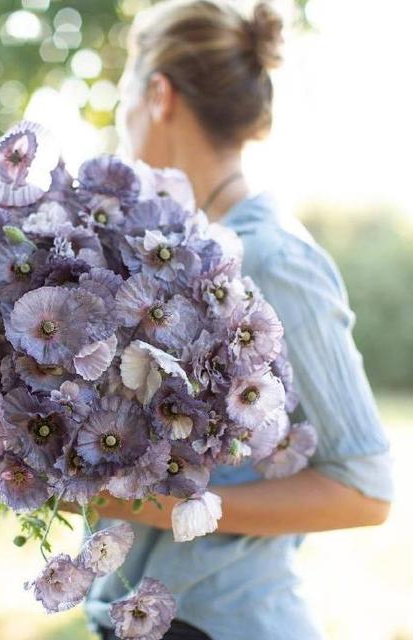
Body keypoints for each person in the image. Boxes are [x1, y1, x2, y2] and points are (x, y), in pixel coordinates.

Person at [79, 1, 394, 639]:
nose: (122, 119)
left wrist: (139, 502)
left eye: (124, 96)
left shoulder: (275, 258)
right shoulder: (161, 257)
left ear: (159, 95)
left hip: (224, 624)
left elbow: (366, 490)